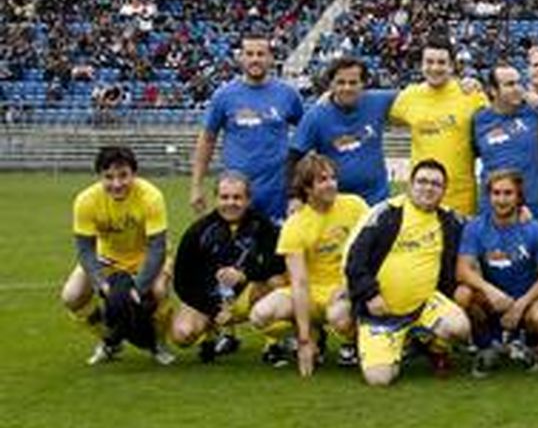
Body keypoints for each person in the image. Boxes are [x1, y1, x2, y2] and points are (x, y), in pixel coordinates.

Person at [342, 159, 472, 386]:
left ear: (443, 190)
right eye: (422, 181)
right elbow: (354, 260)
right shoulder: (385, 213)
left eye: (436, 184)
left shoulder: (450, 220)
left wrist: (520, 214)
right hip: (382, 311)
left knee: (459, 328)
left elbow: (483, 228)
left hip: (425, 306)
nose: (428, 188)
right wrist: (369, 294)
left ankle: (432, 346)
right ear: (409, 184)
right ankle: (398, 343)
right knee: (380, 379)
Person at [250, 153, 365, 377]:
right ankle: (312, 334)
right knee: (260, 315)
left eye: (333, 178)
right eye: (322, 180)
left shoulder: (356, 206)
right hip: (312, 293)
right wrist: (303, 339)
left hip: (343, 288)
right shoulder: (295, 225)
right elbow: (299, 282)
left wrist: (350, 286)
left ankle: (366, 341)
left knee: (339, 317)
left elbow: (373, 252)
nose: (331, 184)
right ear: (307, 188)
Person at [65, 145, 174, 366]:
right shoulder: (86, 201)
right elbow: (85, 249)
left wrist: (139, 287)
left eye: (123, 175)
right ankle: (109, 341)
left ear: (134, 173)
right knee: (72, 296)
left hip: (147, 256)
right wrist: (100, 282)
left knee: (159, 291)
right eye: (109, 177)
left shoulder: (151, 197)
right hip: (107, 258)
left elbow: (157, 247)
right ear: (100, 177)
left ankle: (158, 344)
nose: (116, 184)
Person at [169, 171, 285, 363]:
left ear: (248, 200)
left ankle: (273, 344)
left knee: (277, 282)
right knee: (182, 334)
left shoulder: (261, 224)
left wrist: (244, 275)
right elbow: (182, 282)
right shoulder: (198, 231)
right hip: (211, 299)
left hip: (247, 296)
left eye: (237, 197)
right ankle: (209, 335)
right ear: (216, 199)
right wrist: (212, 310)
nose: (231, 203)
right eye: (224, 197)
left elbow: (278, 262)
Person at [456, 169, 538, 376]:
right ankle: (487, 346)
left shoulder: (535, 230)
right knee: (462, 294)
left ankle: (528, 345)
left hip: (526, 300)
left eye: (508, 193)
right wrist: (491, 291)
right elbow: (462, 269)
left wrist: (521, 305)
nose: (501, 199)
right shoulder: (475, 228)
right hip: (491, 300)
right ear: (488, 196)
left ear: (519, 196)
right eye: (496, 193)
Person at [191, 33, 303, 221]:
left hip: (278, 192)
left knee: (277, 248)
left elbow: (307, 135)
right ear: (241, 58)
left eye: (261, 54)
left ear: (271, 58)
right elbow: (207, 139)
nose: (255, 59)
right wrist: (196, 186)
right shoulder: (224, 96)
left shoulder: (288, 95)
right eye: (249, 54)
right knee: (237, 248)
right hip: (236, 193)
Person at [390, 39, 487, 216]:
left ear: (452, 66)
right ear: (421, 65)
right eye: (429, 62)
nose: (435, 68)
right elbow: (371, 106)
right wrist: (330, 95)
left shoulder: (471, 95)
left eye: (441, 62)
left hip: (460, 197)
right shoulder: (408, 96)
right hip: (420, 195)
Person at [290, 57, 397, 206]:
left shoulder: (379, 101)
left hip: (376, 201)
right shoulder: (316, 116)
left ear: (363, 84)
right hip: (334, 204)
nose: (347, 88)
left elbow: (414, 96)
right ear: (331, 85)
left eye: (353, 83)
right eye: (340, 82)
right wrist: (295, 197)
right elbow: (294, 157)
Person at [472, 63, 538, 221]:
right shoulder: (478, 119)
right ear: (493, 90)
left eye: (519, 83)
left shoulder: (534, 111)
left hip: (529, 207)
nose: (517, 88)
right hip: (491, 208)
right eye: (509, 84)